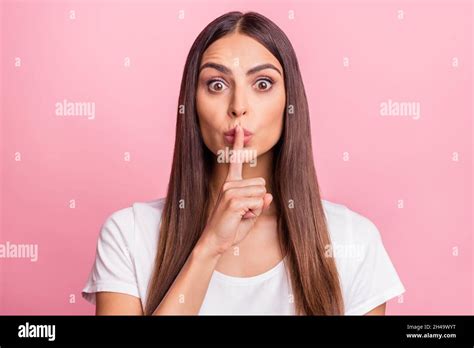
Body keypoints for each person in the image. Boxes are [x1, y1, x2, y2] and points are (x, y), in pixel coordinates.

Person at [82, 11, 405, 315]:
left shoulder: (352, 238)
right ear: (191, 103)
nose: (238, 106)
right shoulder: (129, 234)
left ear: (289, 102)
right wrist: (209, 247)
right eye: (217, 85)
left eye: (262, 84)